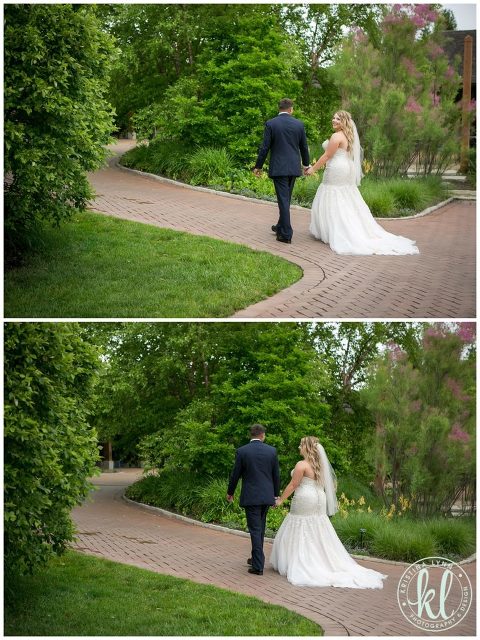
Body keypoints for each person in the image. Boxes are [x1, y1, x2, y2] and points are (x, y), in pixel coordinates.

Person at [270, 436, 387, 588]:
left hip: (306, 498)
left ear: (307, 448)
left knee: (300, 524)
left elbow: (293, 484)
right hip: (319, 498)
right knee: (318, 526)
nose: (299, 447)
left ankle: (303, 562)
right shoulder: (320, 465)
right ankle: (324, 560)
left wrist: (280, 500)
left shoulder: (302, 464)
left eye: (301, 445)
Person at [306, 111, 419, 256]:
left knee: (332, 193)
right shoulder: (348, 135)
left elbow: (327, 155)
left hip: (336, 168)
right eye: (333, 117)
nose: (333, 120)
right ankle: (348, 226)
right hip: (346, 167)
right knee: (345, 195)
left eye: (337, 119)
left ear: (344, 122)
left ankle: (338, 230)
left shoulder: (336, 136)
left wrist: (312, 169)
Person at [253, 98, 310, 244]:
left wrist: (258, 166)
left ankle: (285, 234)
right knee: (286, 199)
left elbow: (265, 147)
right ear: (291, 109)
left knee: (283, 200)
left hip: (279, 168)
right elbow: (304, 147)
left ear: (279, 109)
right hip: (293, 168)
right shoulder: (299, 124)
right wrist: (306, 165)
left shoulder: (271, 123)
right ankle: (280, 226)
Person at [227, 424, 280, 576]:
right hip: (266, 496)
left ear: (251, 435)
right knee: (260, 529)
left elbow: (235, 474)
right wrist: (276, 495)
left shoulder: (242, 451)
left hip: (251, 496)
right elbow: (276, 475)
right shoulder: (271, 451)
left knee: (255, 530)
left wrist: (230, 492)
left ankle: (258, 566)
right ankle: (256, 558)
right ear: (262, 435)